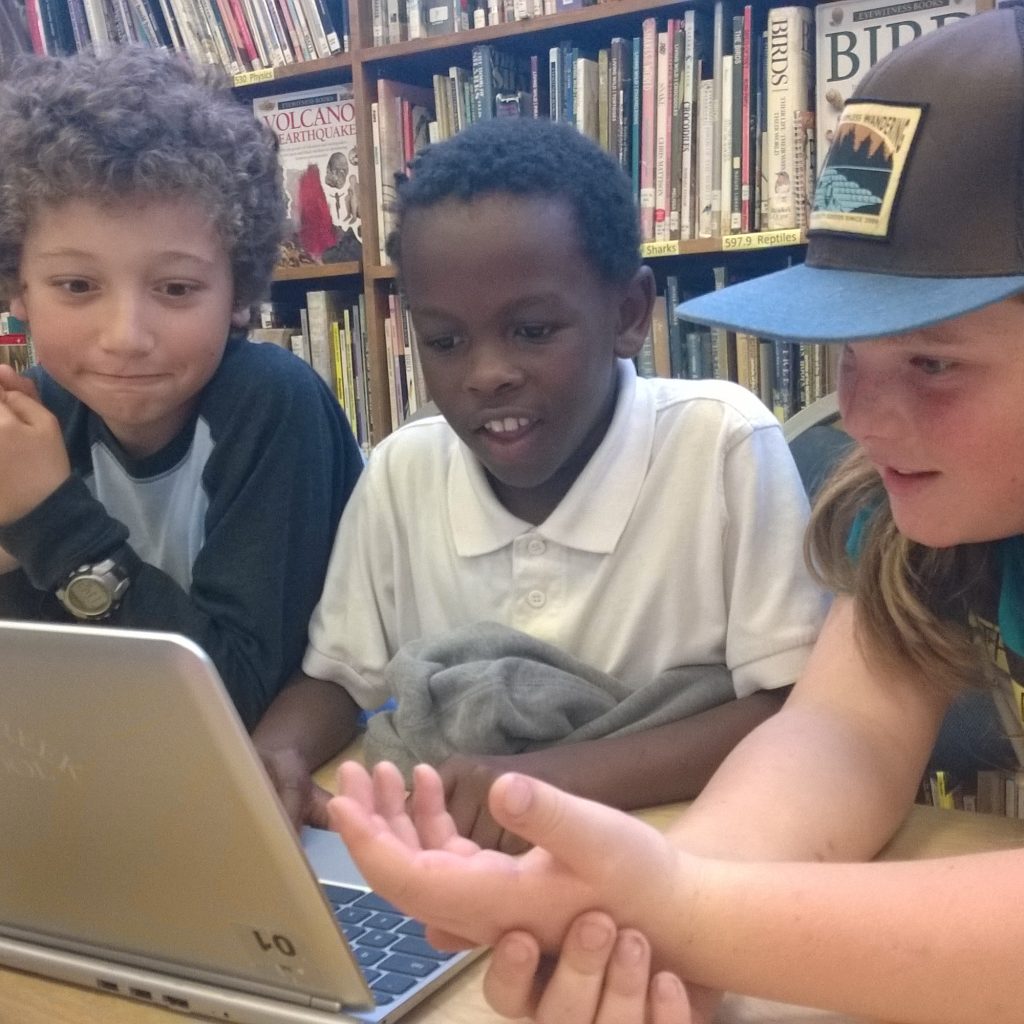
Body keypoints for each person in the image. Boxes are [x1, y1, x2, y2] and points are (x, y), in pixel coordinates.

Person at [326, 8, 1024, 1024]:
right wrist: (638, 914)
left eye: (931, 362)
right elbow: (837, 735)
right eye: (850, 358)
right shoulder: (911, 530)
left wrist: (690, 912)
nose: (860, 419)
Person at [254, 115, 827, 840]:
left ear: (627, 314)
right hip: (455, 850)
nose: (487, 374)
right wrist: (275, 753)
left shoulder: (721, 445)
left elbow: (791, 709)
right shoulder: (404, 469)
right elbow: (340, 678)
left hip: (675, 853)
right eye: (445, 341)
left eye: (531, 331)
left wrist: (547, 784)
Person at [0, 46, 363, 730]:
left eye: (176, 288)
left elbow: (232, 699)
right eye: (76, 286)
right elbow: (42, 695)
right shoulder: (30, 421)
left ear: (239, 293)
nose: (126, 335)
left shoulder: (272, 403)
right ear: (19, 289)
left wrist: (44, 522)